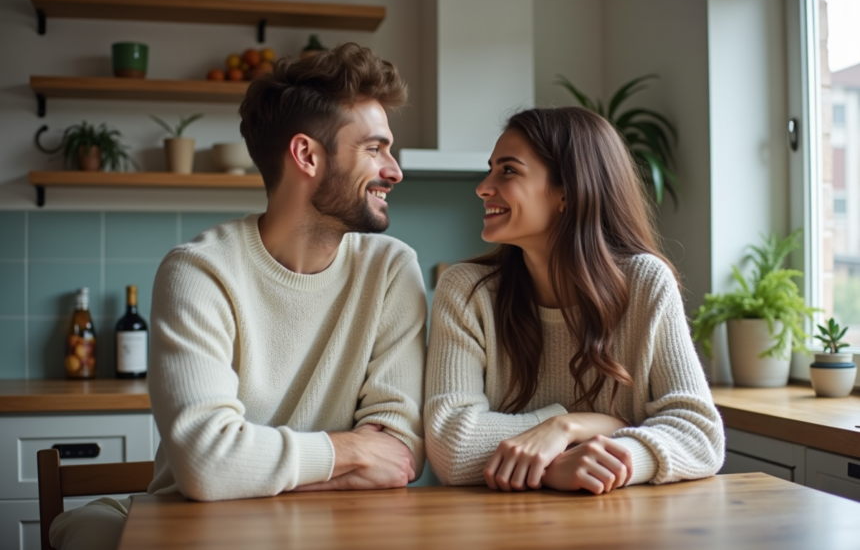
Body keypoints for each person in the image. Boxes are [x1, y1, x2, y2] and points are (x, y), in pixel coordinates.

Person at [50, 43, 426, 549]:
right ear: (307, 155)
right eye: (375, 148)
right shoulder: (200, 271)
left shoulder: (391, 269)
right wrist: (349, 452)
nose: (394, 169)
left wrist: (249, 465)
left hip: (342, 532)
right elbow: (207, 465)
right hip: (200, 534)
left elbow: (399, 454)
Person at [424, 107, 724, 493]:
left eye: (508, 171)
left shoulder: (646, 283)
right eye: (491, 169)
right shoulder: (466, 290)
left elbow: (701, 437)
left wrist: (573, 436)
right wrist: (584, 424)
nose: (483, 187)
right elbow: (451, 445)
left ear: (567, 192)